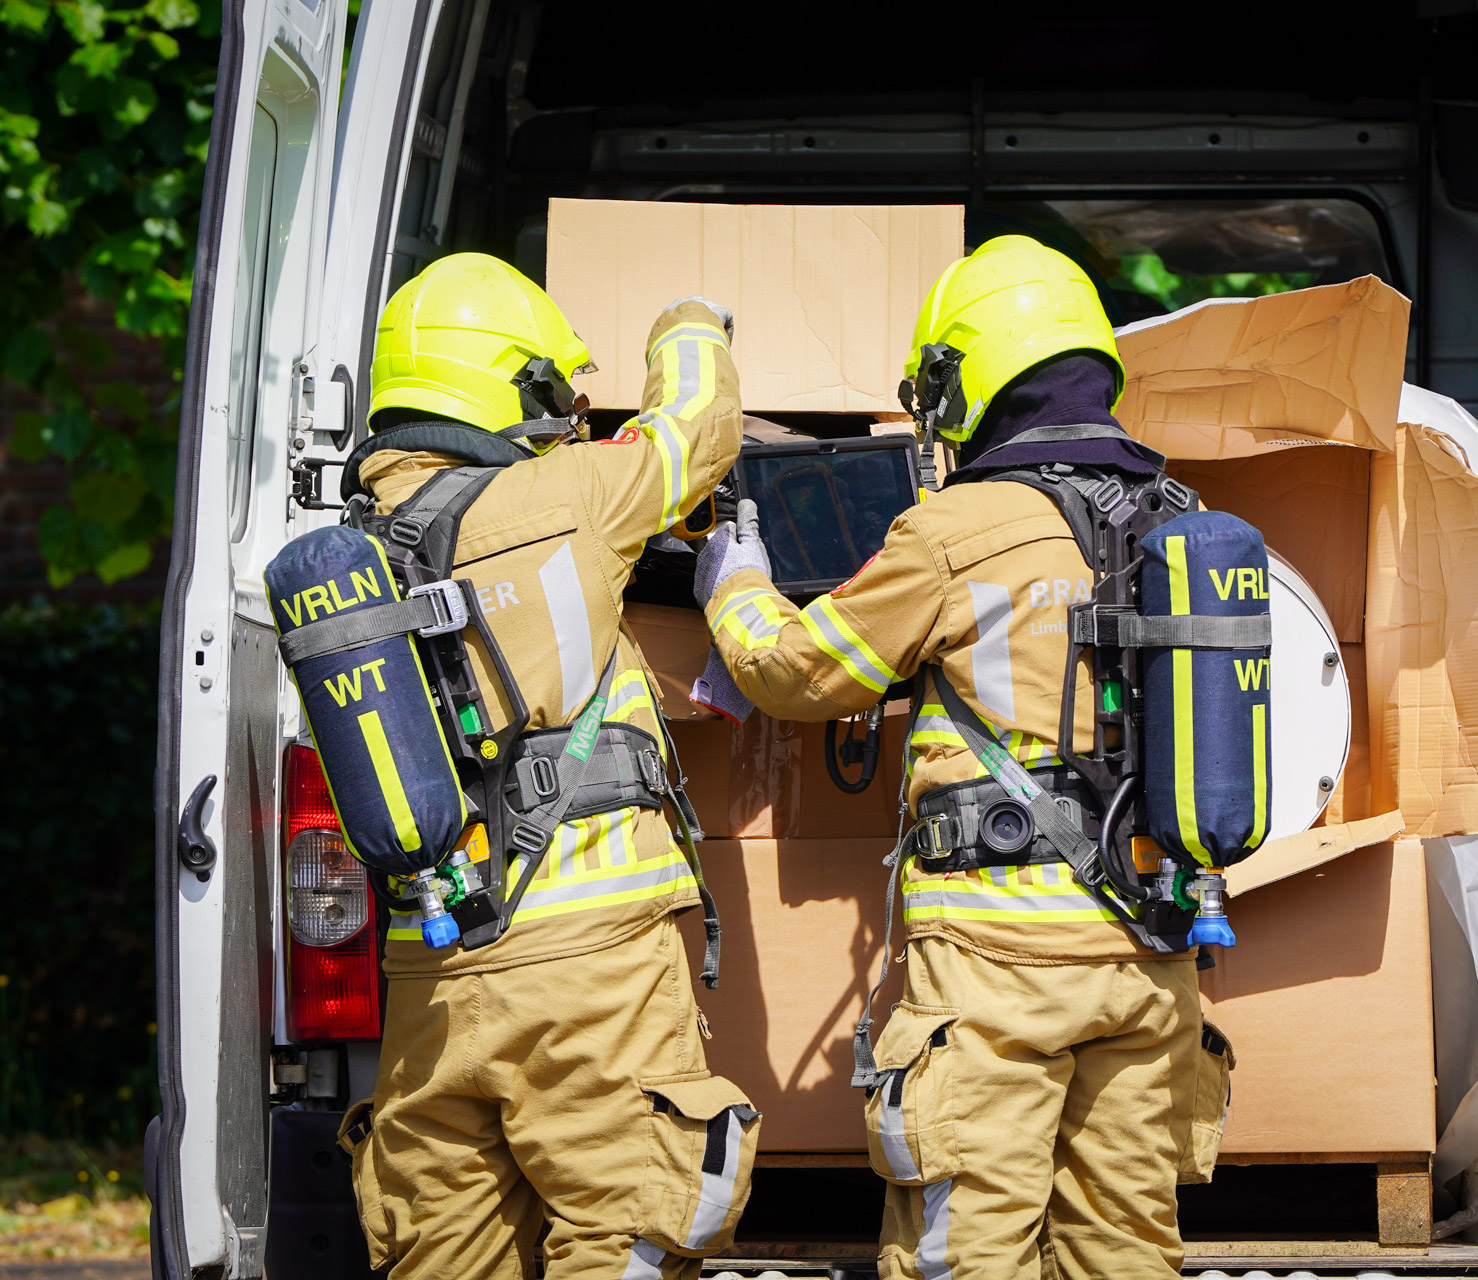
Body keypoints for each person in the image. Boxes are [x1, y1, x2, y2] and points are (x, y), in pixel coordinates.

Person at [692, 235, 1227, 1279]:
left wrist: (736, 584)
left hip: (997, 965)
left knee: (967, 1251)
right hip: (1152, 956)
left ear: (966, 382)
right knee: (1125, 1250)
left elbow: (798, 675)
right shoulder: (1184, 521)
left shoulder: (954, 530)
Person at [337, 253, 756, 1280]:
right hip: (592, 968)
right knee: (626, 1235)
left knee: (445, 1255)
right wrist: (690, 323)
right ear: (511, 384)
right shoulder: (572, 495)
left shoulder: (349, 564)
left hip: (430, 977)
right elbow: (696, 427)